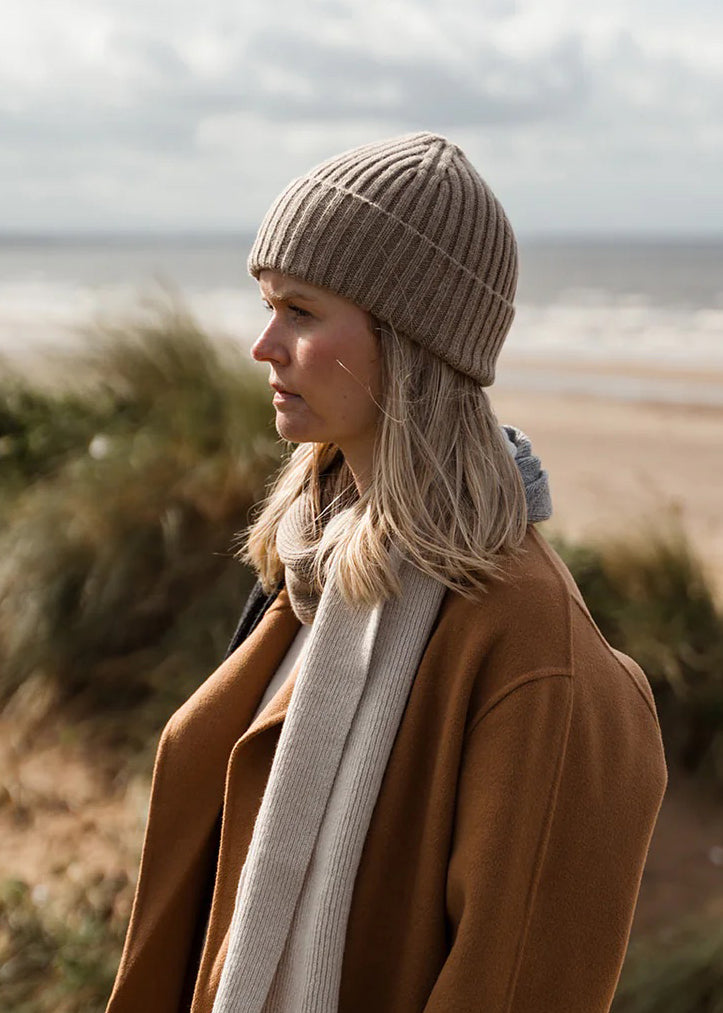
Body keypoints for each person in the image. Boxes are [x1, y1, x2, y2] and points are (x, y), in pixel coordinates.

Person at [106, 132, 667, 1013]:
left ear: (405, 343)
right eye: (267, 305)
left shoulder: (532, 649)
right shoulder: (306, 566)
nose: (263, 344)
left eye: (300, 310)